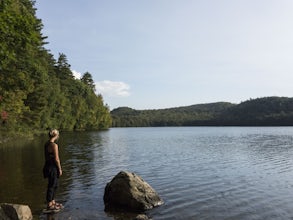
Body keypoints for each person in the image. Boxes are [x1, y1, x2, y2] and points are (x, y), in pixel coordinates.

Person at [43, 129, 63, 211]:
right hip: (53, 167)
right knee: (52, 186)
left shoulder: (46, 144)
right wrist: (60, 169)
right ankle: (49, 204)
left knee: (55, 184)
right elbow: (56, 159)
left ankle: (52, 201)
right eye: (58, 135)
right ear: (56, 136)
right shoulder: (54, 145)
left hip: (47, 166)